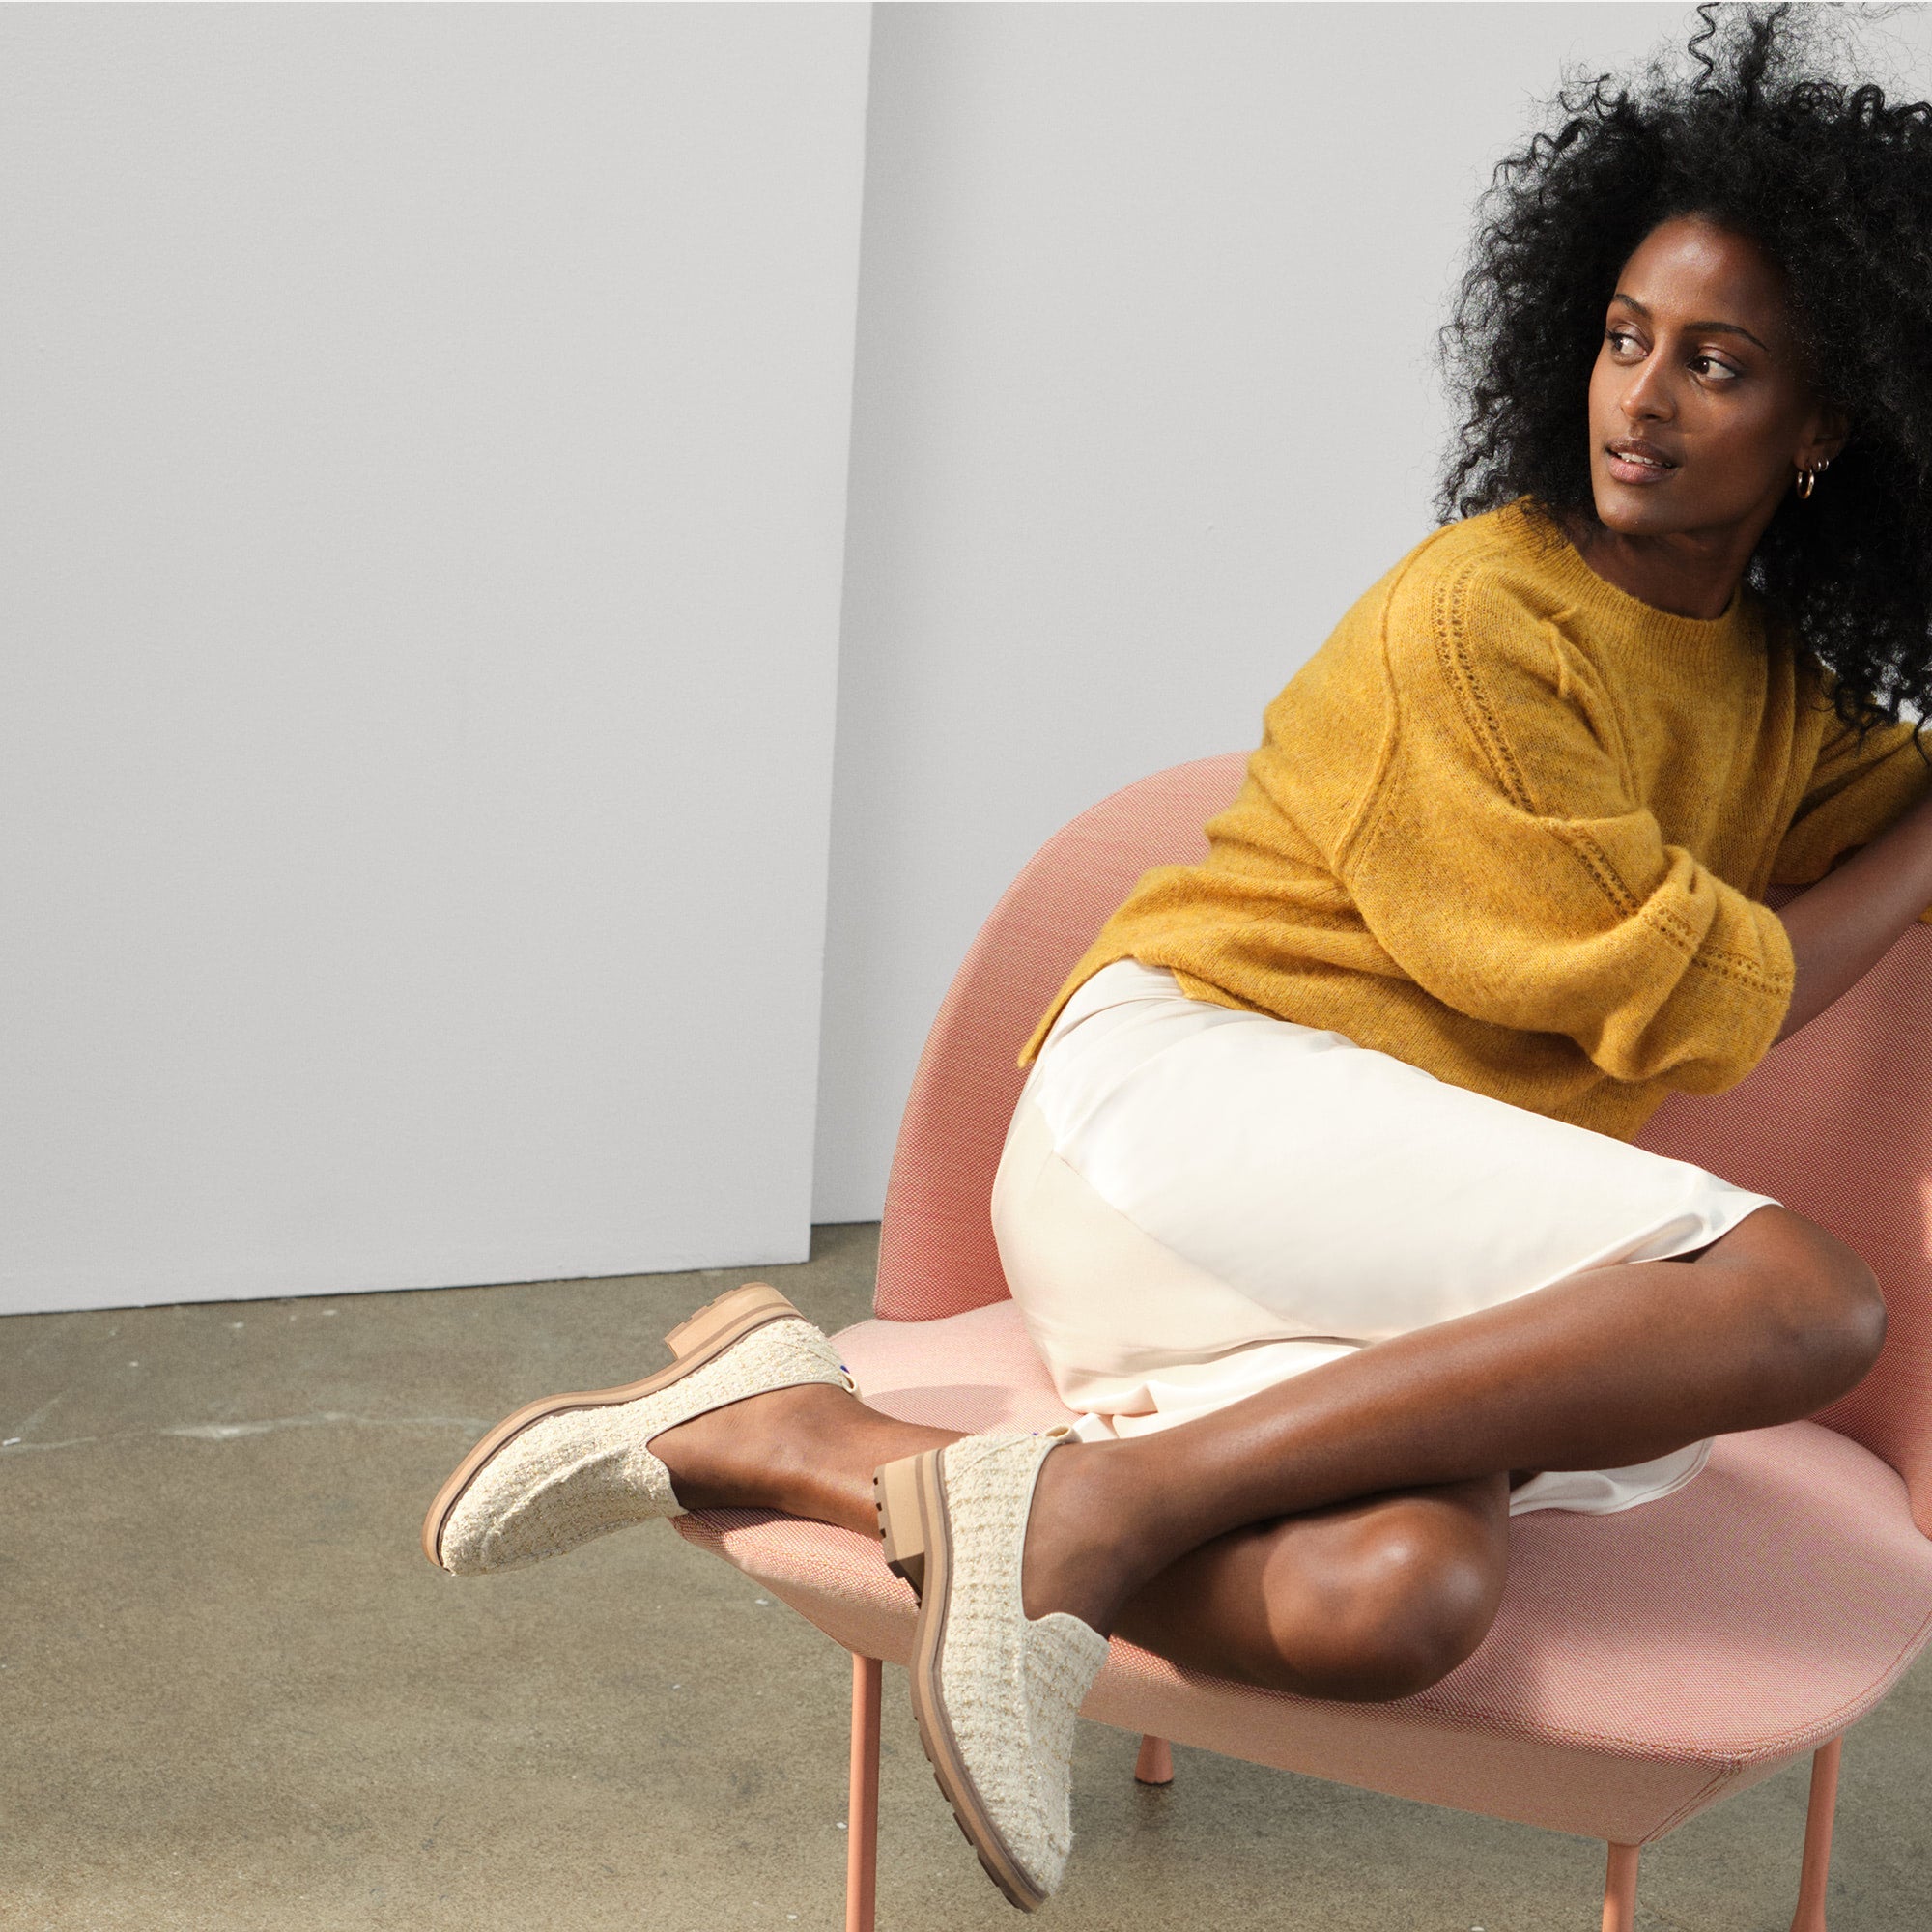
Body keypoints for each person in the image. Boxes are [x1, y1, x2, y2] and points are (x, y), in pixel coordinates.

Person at [420, 5, 1932, 1912]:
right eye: (1624, 338)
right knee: (1797, 1299)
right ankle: (1083, 1513)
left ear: (1822, 426)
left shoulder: (1774, 693)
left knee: (1399, 1601)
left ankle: (804, 1434)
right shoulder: (1484, 615)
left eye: (1716, 365)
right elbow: (1684, 999)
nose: (1641, 398)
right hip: (1190, 1118)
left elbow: (1871, 817)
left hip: (1382, 1253)